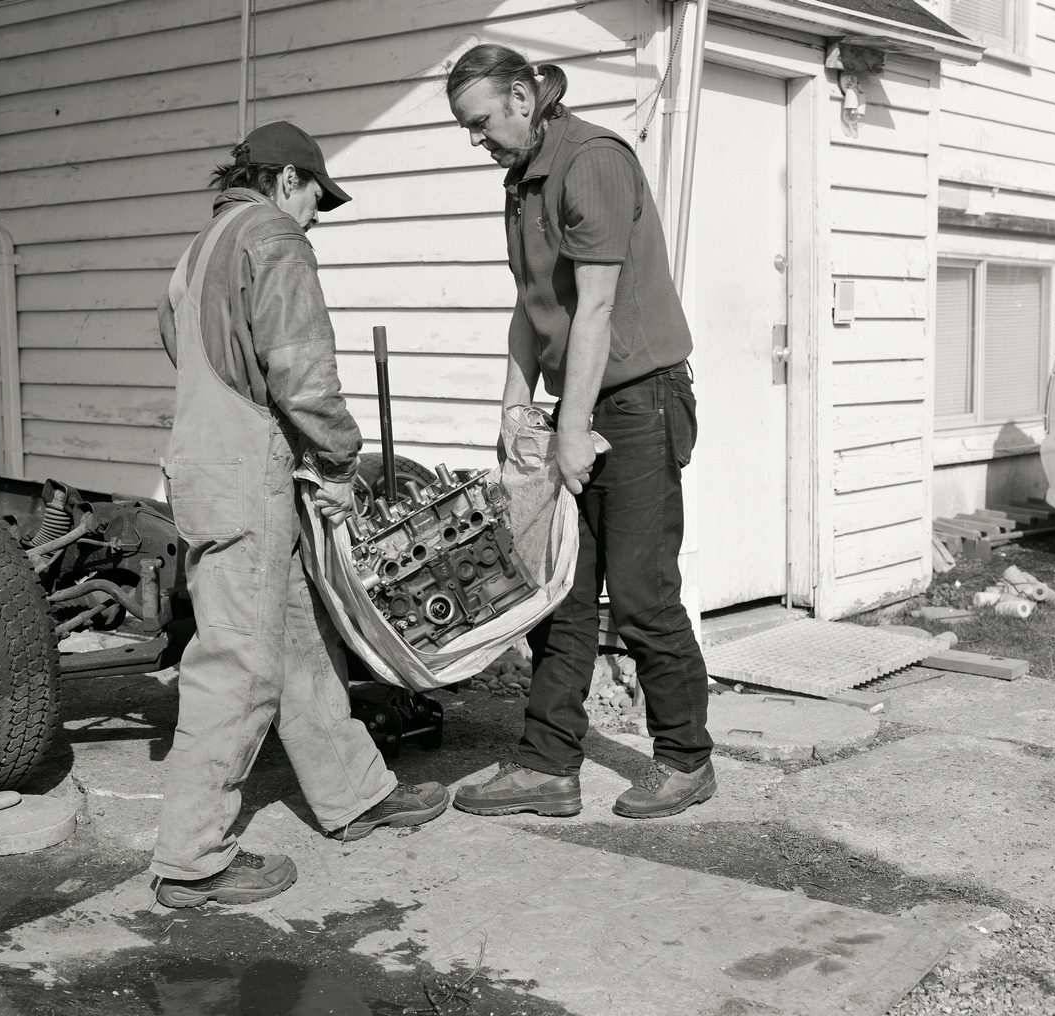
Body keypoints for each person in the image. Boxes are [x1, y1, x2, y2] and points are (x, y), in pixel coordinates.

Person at [150, 121, 448, 908]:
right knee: (238, 667)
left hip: (209, 466)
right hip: (247, 472)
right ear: (287, 181)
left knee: (297, 640)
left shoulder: (197, 252)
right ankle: (191, 860)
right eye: (318, 196)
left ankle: (355, 794)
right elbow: (303, 374)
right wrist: (341, 463)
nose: (316, 214)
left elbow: (180, 348)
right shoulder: (274, 236)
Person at [446, 46, 715, 819]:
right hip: (582, 405)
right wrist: (511, 407)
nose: (478, 141)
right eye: (468, 129)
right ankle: (548, 765)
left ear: (524, 97)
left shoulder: (591, 160)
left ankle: (686, 759)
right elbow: (534, 306)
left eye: (482, 122)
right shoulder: (521, 180)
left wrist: (570, 428)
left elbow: (594, 309)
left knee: (639, 593)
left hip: (637, 402)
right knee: (558, 594)